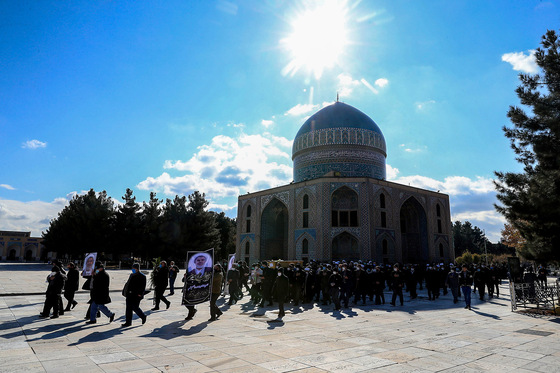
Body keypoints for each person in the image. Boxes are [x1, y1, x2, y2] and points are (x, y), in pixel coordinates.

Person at [121, 263, 147, 327]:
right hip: (129, 294)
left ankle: (143, 316)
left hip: (136, 295)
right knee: (128, 309)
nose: (133, 270)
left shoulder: (142, 276)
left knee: (135, 308)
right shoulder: (132, 275)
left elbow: (142, 287)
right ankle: (128, 322)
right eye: (132, 268)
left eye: (134, 268)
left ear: (137, 269)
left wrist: (140, 294)